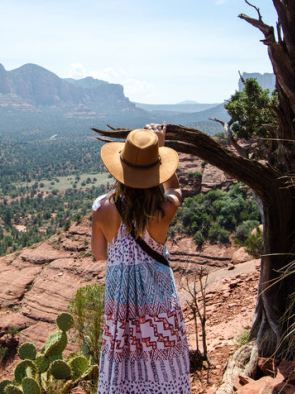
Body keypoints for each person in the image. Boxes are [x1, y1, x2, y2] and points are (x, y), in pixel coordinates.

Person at [92, 123, 191, 393]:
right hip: (158, 303)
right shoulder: (164, 208)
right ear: (155, 170)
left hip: (120, 302)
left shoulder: (101, 208)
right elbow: (175, 188)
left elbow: (99, 254)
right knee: (164, 364)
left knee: (122, 365)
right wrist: (160, 148)